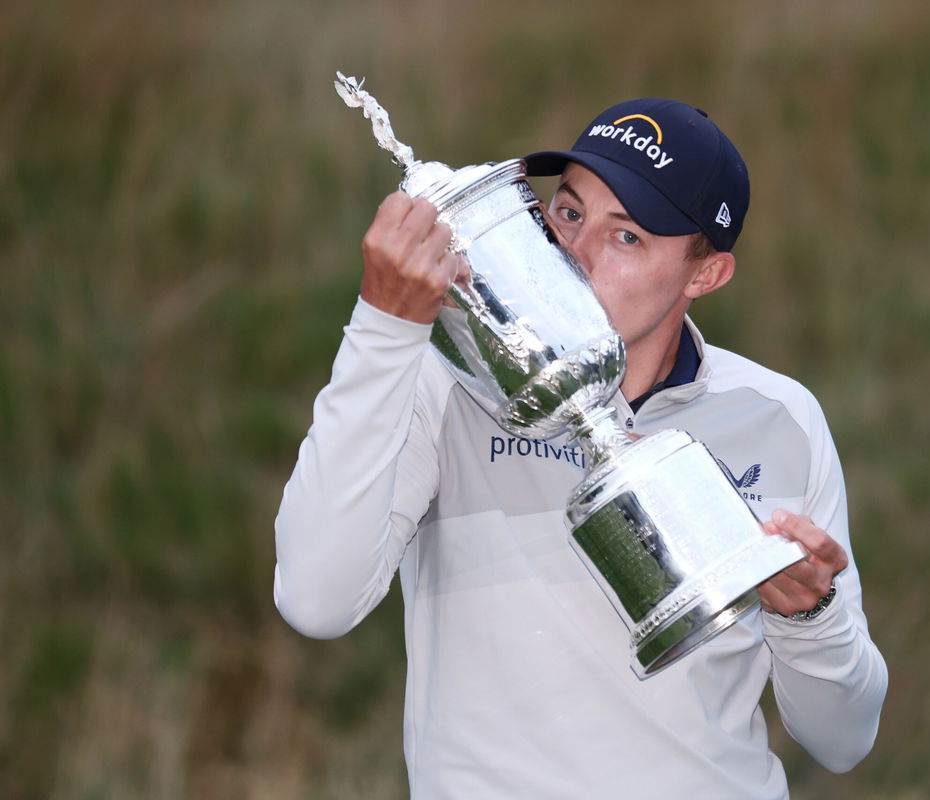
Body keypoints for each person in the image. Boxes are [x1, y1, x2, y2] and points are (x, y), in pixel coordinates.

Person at [275, 97, 887, 798]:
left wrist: (811, 616)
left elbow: (844, 740)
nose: (574, 252)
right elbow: (314, 601)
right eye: (568, 213)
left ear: (704, 275)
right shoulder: (445, 384)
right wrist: (386, 326)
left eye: (626, 237)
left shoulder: (779, 417)